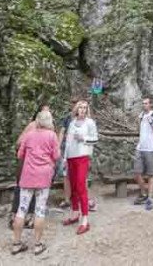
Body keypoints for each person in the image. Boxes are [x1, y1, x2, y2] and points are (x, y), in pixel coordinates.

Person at [11, 110, 60, 256]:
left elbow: (20, 154)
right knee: (39, 210)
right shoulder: (52, 136)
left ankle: (16, 244)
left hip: (27, 177)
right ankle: (38, 245)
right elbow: (57, 156)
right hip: (44, 177)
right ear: (50, 121)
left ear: (37, 121)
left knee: (21, 210)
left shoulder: (29, 135)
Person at [10, 103, 50, 229]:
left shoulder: (49, 130)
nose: (46, 115)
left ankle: (27, 218)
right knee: (23, 190)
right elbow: (18, 144)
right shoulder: (33, 126)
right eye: (44, 112)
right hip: (27, 163)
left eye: (48, 112)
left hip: (36, 166)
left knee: (32, 190)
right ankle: (16, 218)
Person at [62, 99, 98, 235]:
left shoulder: (90, 123)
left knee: (81, 187)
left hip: (82, 157)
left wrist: (83, 138)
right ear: (76, 109)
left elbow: (95, 139)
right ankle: (74, 213)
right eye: (80, 107)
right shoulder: (71, 123)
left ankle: (85, 219)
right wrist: (65, 158)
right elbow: (68, 142)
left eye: (85, 107)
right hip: (71, 157)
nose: (82, 110)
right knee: (73, 187)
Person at [133, 97, 153, 210]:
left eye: (146, 103)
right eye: (143, 103)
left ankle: (149, 198)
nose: (144, 105)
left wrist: (151, 123)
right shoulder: (141, 115)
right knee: (136, 173)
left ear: (150, 105)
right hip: (140, 147)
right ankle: (144, 193)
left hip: (151, 148)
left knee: (151, 174)